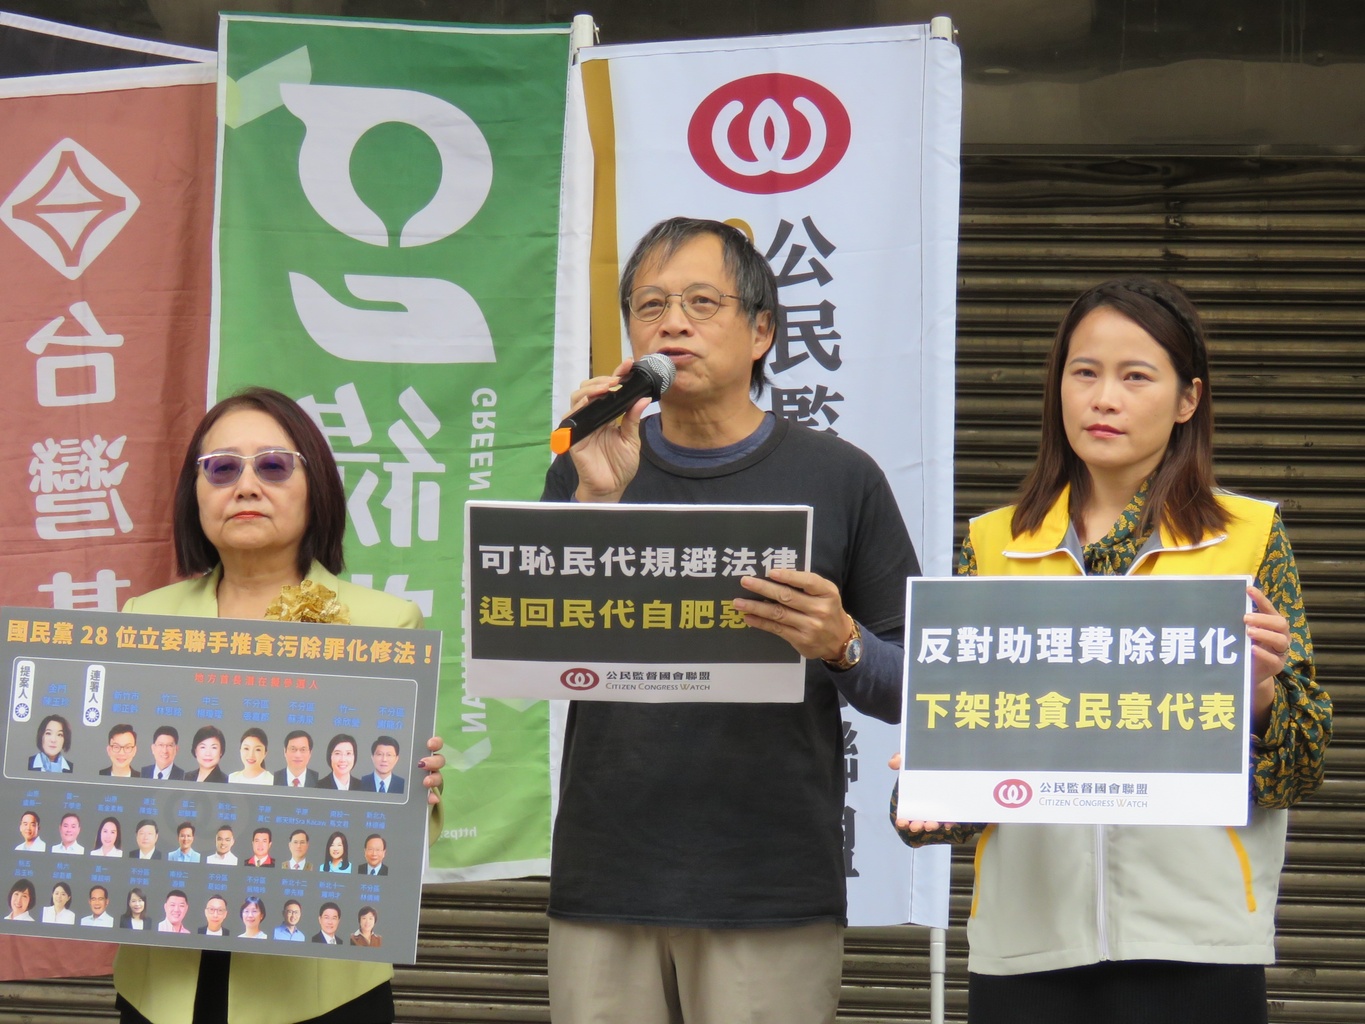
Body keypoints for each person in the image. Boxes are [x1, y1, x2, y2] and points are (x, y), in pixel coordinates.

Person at [890, 278, 1332, 1024]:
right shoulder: (996, 545)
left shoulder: (1247, 538)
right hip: (1027, 945)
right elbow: (967, 767)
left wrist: (1260, 693)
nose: (1103, 399)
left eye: (1135, 377)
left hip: (1197, 943)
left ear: (1187, 399)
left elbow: (1302, 764)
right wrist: (930, 786)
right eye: (1084, 372)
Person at [541, 218, 920, 1023]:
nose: (671, 324)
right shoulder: (586, 467)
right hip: (606, 874)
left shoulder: (841, 478)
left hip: (769, 884)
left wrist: (843, 645)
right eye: (649, 306)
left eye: (700, 303)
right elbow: (534, 655)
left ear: (761, 332)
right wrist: (596, 500)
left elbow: (922, 686)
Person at [113, 386, 446, 1024]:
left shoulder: (383, 624)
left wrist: (419, 789)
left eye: (271, 466)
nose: (245, 486)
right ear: (194, 494)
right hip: (169, 969)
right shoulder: (144, 619)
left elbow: (398, 827)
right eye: (221, 469)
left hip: (316, 977)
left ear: (314, 487)